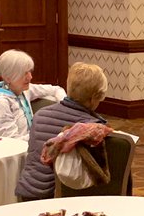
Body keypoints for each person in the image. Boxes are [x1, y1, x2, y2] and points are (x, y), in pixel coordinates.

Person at [15, 63, 112, 201]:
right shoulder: (93, 129)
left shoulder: (40, 115)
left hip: (28, 192)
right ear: (95, 97)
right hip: (60, 198)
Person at [0, 49, 66, 140]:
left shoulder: (24, 89)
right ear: (8, 78)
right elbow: (11, 142)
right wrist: (47, 133)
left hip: (30, 146)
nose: (30, 77)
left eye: (30, 72)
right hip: (13, 151)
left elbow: (56, 89)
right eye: (24, 73)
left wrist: (65, 106)